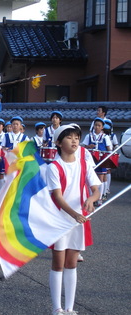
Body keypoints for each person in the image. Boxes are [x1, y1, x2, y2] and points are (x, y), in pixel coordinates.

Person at [46, 125, 101, 315]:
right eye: (69, 138)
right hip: (61, 219)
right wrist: (74, 214)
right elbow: (58, 197)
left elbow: (96, 189)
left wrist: (91, 200)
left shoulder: (85, 163)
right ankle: (57, 308)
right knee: (58, 263)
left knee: (72, 264)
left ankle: (70, 308)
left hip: (79, 219)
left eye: (77, 137)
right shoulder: (54, 167)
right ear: (59, 143)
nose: (75, 140)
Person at [81, 118, 112, 206]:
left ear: (102, 127)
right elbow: (84, 147)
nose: (97, 127)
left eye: (99, 126)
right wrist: (89, 146)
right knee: (91, 178)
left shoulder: (105, 137)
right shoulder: (89, 136)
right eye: (95, 125)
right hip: (91, 159)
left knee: (101, 178)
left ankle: (100, 198)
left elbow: (109, 149)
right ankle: (91, 197)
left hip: (102, 159)